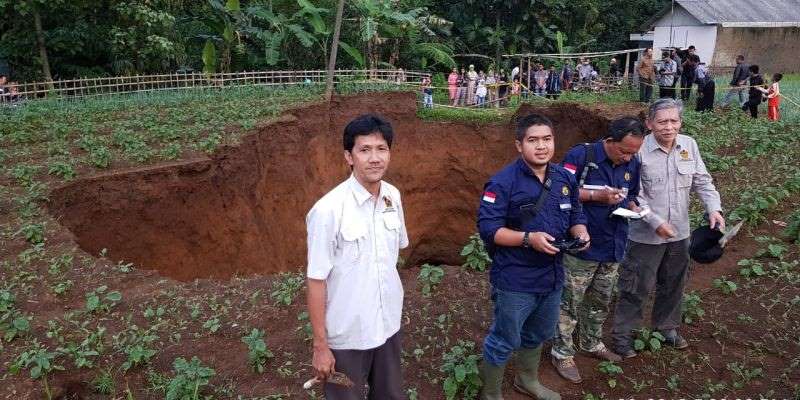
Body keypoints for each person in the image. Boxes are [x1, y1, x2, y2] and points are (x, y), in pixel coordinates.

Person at [477, 114, 589, 400]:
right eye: (533, 140)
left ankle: (527, 381)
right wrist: (528, 238)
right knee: (504, 339)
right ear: (519, 145)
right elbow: (489, 229)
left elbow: (575, 213)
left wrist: (581, 231)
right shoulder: (503, 182)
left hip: (551, 277)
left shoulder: (564, 178)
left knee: (537, 334)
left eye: (547, 139)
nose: (541, 146)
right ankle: (491, 394)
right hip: (515, 278)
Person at [611, 98, 725, 358]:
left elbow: (703, 181)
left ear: (681, 122)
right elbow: (632, 194)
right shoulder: (638, 151)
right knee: (636, 286)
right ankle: (623, 336)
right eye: (662, 121)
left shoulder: (689, 145)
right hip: (645, 236)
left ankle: (667, 328)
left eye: (674, 121)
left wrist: (714, 208)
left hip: (680, 232)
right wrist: (655, 222)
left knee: (674, 283)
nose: (669, 127)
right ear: (649, 123)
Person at [306, 114, 409, 400]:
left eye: (381, 149)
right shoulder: (328, 211)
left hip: (387, 324)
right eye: (364, 150)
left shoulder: (392, 197)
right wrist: (320, 346)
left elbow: (390, 256)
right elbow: (316, 280)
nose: (374, 158)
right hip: (347, 332)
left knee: (390, 394)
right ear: (349, 157)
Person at [551, 117, 646, 383]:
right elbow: (558, 191)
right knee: (569, 302)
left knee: (600, 300)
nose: (628, 158)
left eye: (634, 153)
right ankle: (562, 352)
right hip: (582, 246)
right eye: (624, 151)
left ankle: (591, 342)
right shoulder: (582, 155)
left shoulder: (633, 163)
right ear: (610, 140)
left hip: (613, 244)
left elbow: (632, 194)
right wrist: (596, 196)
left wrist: (634, 206)